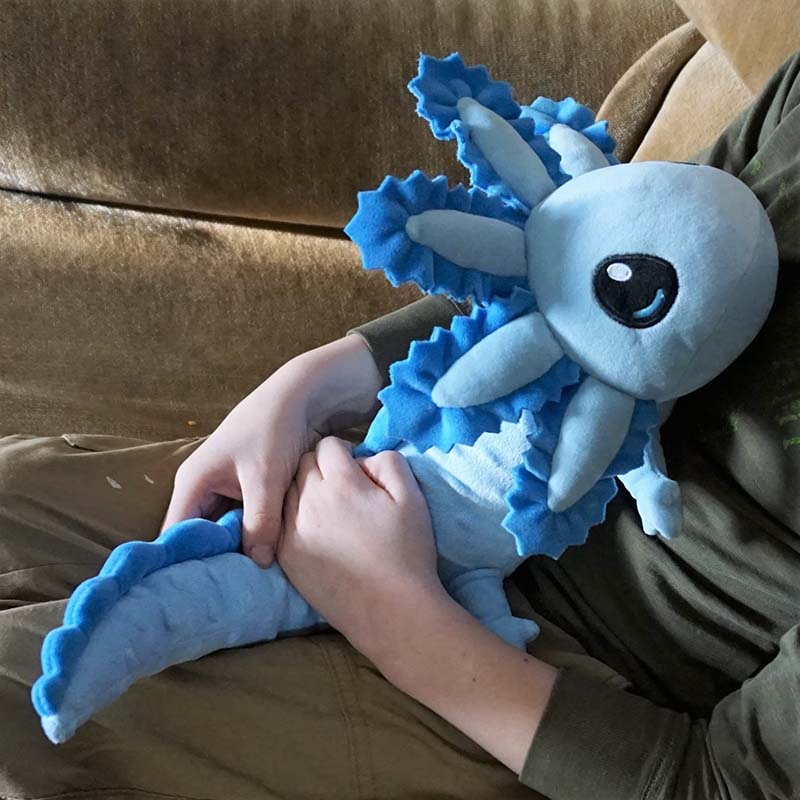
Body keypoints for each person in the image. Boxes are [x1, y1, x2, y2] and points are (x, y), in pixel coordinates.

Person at [1, 52, 799, 800]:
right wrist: (314, 382)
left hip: (543, 680)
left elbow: (726, 783)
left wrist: (388, 609)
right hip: (426, 457)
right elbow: (622, 250)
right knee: (14, 495)